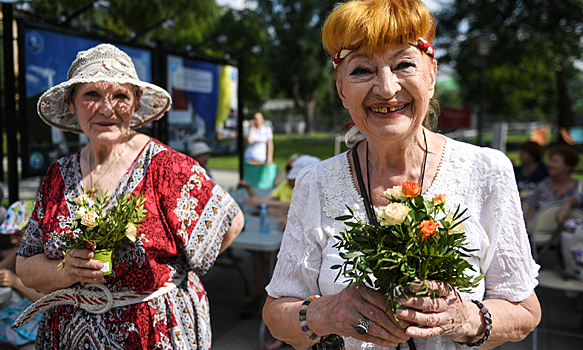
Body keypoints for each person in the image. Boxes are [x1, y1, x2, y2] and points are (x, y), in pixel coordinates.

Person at [262, 1, 541, 349]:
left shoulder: (485, 172)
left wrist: (463, 318)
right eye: (362, 70)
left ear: (432, 75)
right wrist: (325, 314)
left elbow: (525, 312)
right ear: (341, 89)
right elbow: (276, 314)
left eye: (404, 64)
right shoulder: (316, 183)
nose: (387, 88)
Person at [15, 43, 244, 349]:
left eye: (120, 96)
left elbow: (231, 222)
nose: (107, 108)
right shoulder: (58, 175)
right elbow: (26, 265)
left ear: (136, 104)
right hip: (69, 335)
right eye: (92, 95)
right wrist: (65, 270)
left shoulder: (166, 167)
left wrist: (174, 278)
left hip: (151, 335)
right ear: (71, 103)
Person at [0, 200, 45, 346]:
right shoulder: (26, 249)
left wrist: (15, 282)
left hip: (41, 317)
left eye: (18, 235)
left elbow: (47, 301)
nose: (12, 240)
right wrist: (19, 249)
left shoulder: (46, 256)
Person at [524, 145, 581, 232]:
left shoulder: (578, 186)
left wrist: (567, 206)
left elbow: (578, 197)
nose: (550, 165)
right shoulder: (542, 185)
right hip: (543, 237)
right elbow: (533, 206)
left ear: (568, 166)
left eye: (555, 161)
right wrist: (528, 227)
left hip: (571, 238)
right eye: (550, 161)